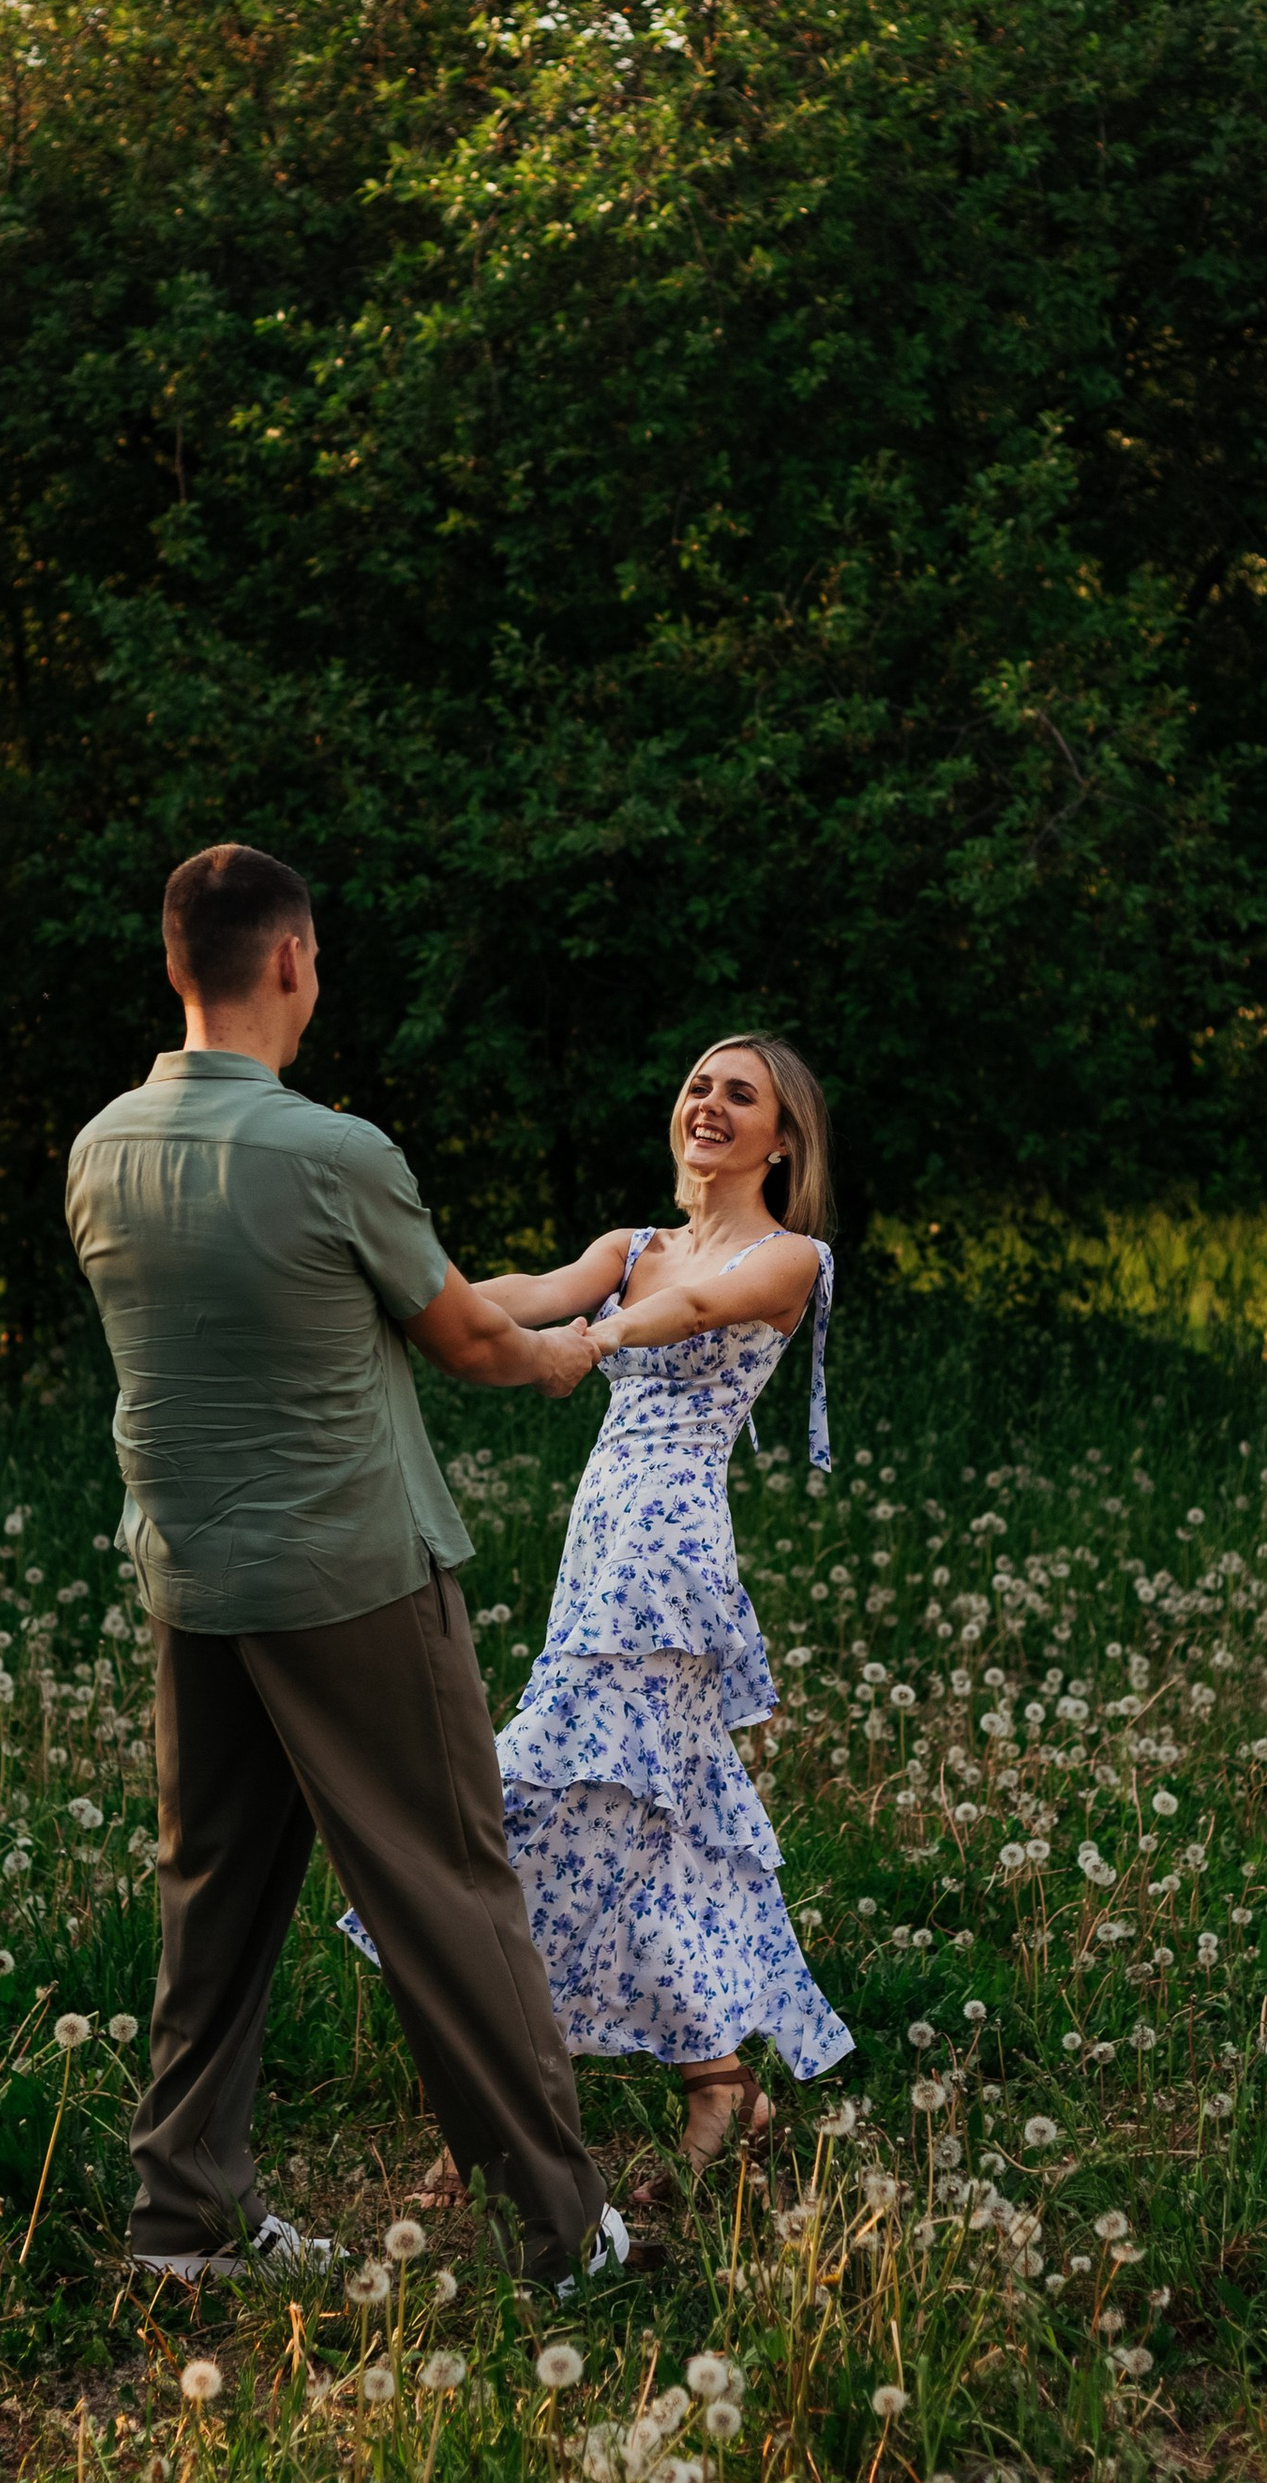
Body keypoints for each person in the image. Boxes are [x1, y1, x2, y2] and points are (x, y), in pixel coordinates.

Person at [63, 840, 625, 2293]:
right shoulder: (333, 1152)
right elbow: (470, 1340)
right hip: (351, 1578)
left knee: (215, 1892)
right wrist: (567, 1353)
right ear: (294, 960)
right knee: (448, 1883)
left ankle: (183, 2219)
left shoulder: (102, 1147)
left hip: (194, 1581)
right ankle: (566, 2233)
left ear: (174, 964)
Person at [350, 1032, 852, 2172]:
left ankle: (500, 2104)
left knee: (533, 1799)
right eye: (698, 1086)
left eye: (740, 1095)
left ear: (782, 1140)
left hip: (665, 1564)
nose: (708, 1104)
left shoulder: (791, 1258)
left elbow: (696, 1310)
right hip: (600, 1550)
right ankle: (718, 2088)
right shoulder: (631, 1247)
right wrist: (412, 1302)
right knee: (646, 1820)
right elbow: (523, 1294)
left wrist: (595, 1338)